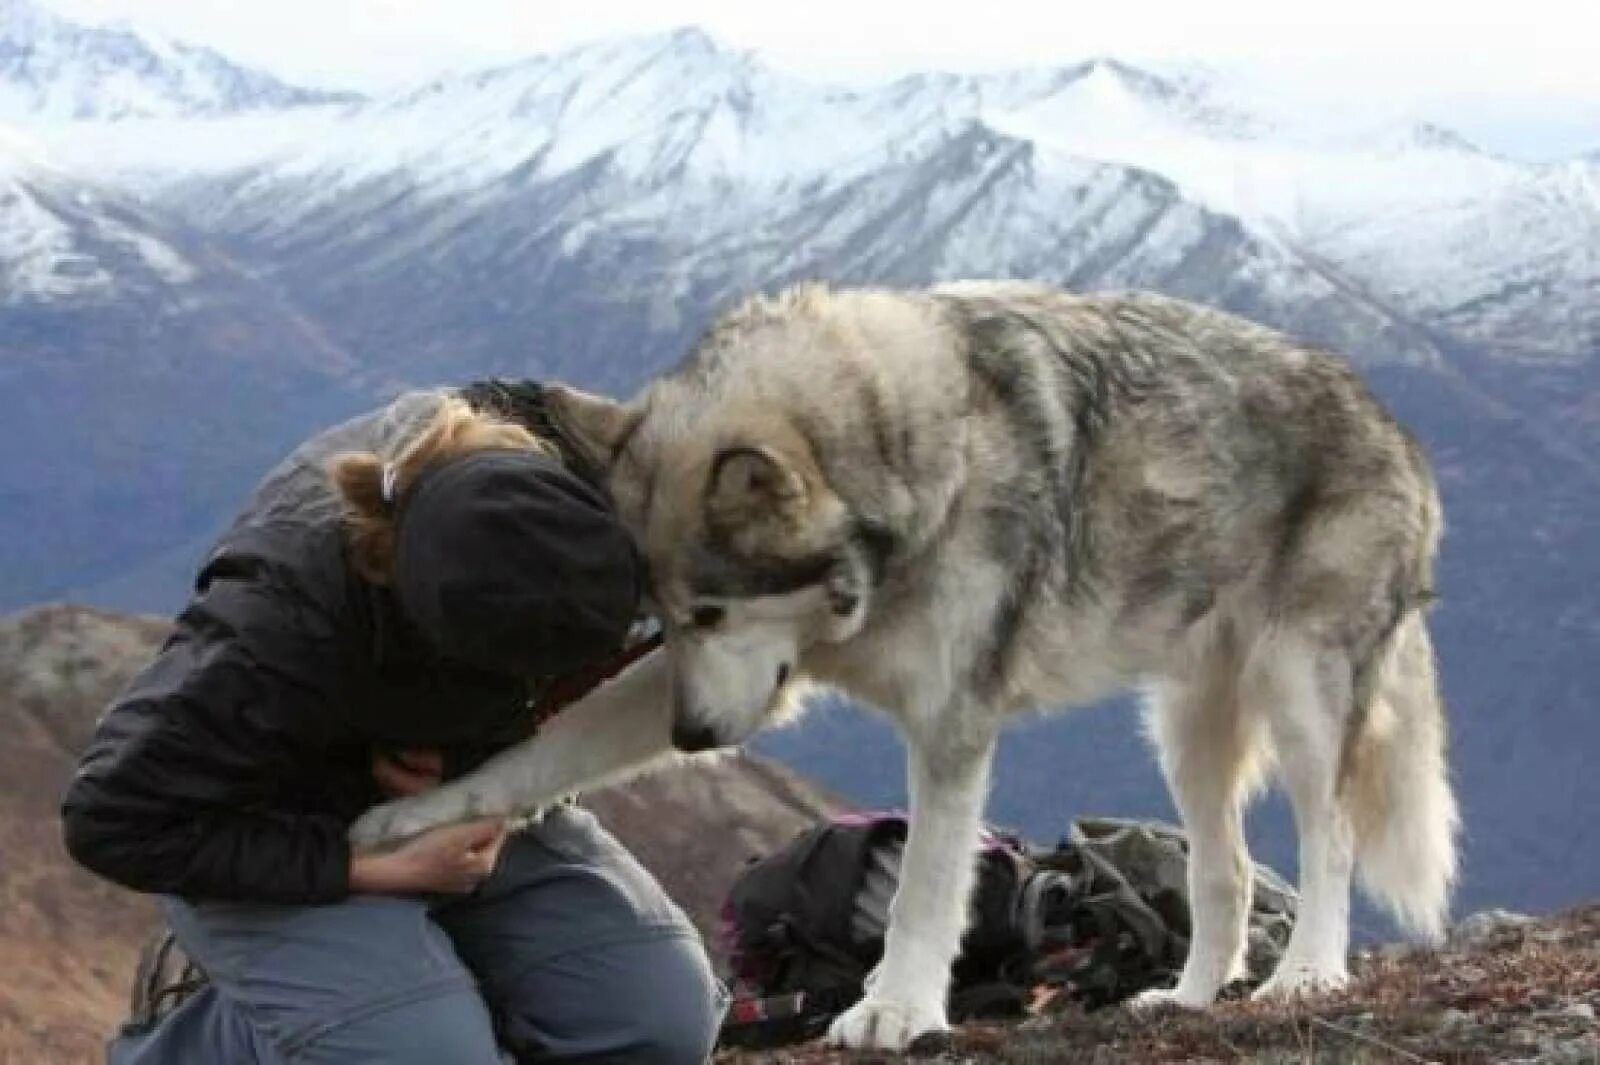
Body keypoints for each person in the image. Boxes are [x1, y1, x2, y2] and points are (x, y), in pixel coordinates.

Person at [61, 382, 726, 1064]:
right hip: (280, 824)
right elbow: (111, 819)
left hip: (452, 800)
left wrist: (479, 779)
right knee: (427, 1055)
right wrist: (375, 867)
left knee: (659, 1026)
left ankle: (396, 1005)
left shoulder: (570, 484)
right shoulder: (278, 629)